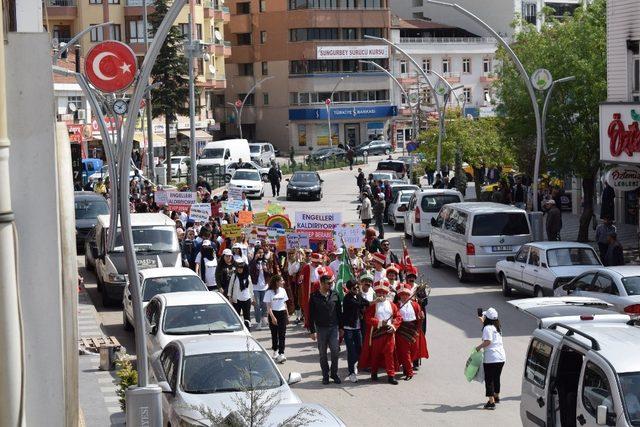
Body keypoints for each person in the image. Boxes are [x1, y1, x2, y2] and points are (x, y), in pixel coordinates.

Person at [359, 280, 401, 385]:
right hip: (377, 333)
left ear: (386, 293)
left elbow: (398, 317)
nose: (381, 294)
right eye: (379, 292)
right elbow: (367, 318)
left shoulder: (392, 305)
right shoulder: (373, 305)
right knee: (375, 354)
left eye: (383, 292)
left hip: (389, 332)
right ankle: (374, 373)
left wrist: (394, 326)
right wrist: (379, 322)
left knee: (389, 354)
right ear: (376, 293)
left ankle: (391, 375)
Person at [308, 269, 343, 385]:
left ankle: (334, 373)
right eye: (328, 283)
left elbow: (339, 313)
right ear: (322, 283)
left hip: (334, 328)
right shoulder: (314, 296)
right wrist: (312, 331)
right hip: (321, 328)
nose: (330, 285)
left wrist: (341, 328)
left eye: (331, 283)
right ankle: (325, 375)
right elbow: (310, 315)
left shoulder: (335, 294)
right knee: (322, 353)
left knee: (335, 351)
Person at [395, 284, 429, 381]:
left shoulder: (415, 305)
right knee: (405, 353)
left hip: (414, 331)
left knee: (414, 351)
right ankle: (409, 372)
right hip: (401, 331)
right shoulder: (396, 306)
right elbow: (395, 318)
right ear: (399, 295)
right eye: (402, 295)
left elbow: (420, 318)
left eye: (406, 294)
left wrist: (421, 317)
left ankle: (407, 367)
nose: (404, 296)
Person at [476, 308, 506, 410]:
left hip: (491, 358)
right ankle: (496, 396)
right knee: (496, 377)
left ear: (487, 318)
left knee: (489, 379)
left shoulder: (487, 328)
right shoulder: (498, 327)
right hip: (501, 357)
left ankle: (491, 402)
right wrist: (482, 321)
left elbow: (488, 341)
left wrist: (478, 347)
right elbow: (488, 328)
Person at [342, 280, 369, 383]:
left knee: (359, 349)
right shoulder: (347, 299)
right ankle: (351, 372)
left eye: (358, 287)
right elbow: (359, 304)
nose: (357, 289)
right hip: (349, 328)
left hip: (357, 328)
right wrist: (374, 302)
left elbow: (365, 302)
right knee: (351, 351)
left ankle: (354, 364)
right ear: (349, 289)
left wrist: (373, 302)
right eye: (354, 288)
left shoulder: (358, 296)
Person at [265, 274, 289, 363]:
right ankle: (275, 350)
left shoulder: (283, 290)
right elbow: (268, 307)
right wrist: (272, 317)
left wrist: (287, 314)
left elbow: (284, 303)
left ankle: (281, 352)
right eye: (281, 280)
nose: (283, 282)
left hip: (282, 313)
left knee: (282, 334)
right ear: (276, 282)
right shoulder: (269, 292)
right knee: (274, 333)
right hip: (273, 313)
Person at [250, 246, 272, 329]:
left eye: (262, 252)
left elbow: (270, 273)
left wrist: (267, 270)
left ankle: (264, 319)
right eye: (259, 252)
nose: (261, 254)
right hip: (255, 287)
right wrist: (254, 259)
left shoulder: (265, 261)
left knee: (264, 305)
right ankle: (258, 322)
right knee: (257, 305)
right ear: (256, 253)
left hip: (264, 286)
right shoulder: (253, 262)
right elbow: (250, 270)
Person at [299, 252, 323, 329]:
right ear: (313, 261)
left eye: (319, 262)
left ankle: (318, 323)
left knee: (319, 306)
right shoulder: (306, 267)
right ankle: (309, 324)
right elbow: (300, 279)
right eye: (317, 262)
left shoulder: (320, 267)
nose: (318, 264)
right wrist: (301, 279)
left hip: (319, 288)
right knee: (309, 306)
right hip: (309, 288)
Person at [228, 260, 253, 329]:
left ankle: (248, 330)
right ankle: (238, 329)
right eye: (238, 268)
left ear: (244, 268)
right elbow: (230, 286)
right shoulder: (234, 275)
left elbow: (251, 288)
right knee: (237, 316)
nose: (239, 269)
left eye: (241, 268)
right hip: (237, 299)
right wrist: (230, 297)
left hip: (247, 299)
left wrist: (252, 298)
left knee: (247, 316)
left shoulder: (248, 276)